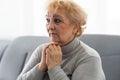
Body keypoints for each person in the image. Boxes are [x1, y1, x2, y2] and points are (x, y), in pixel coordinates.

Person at [17, 0, 105, 80]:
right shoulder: (41, 51)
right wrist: (41, 67)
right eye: (48, 20)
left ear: (75, 27)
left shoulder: (89, 58)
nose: (50, 26)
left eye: (57, 21)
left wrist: (54, 68)